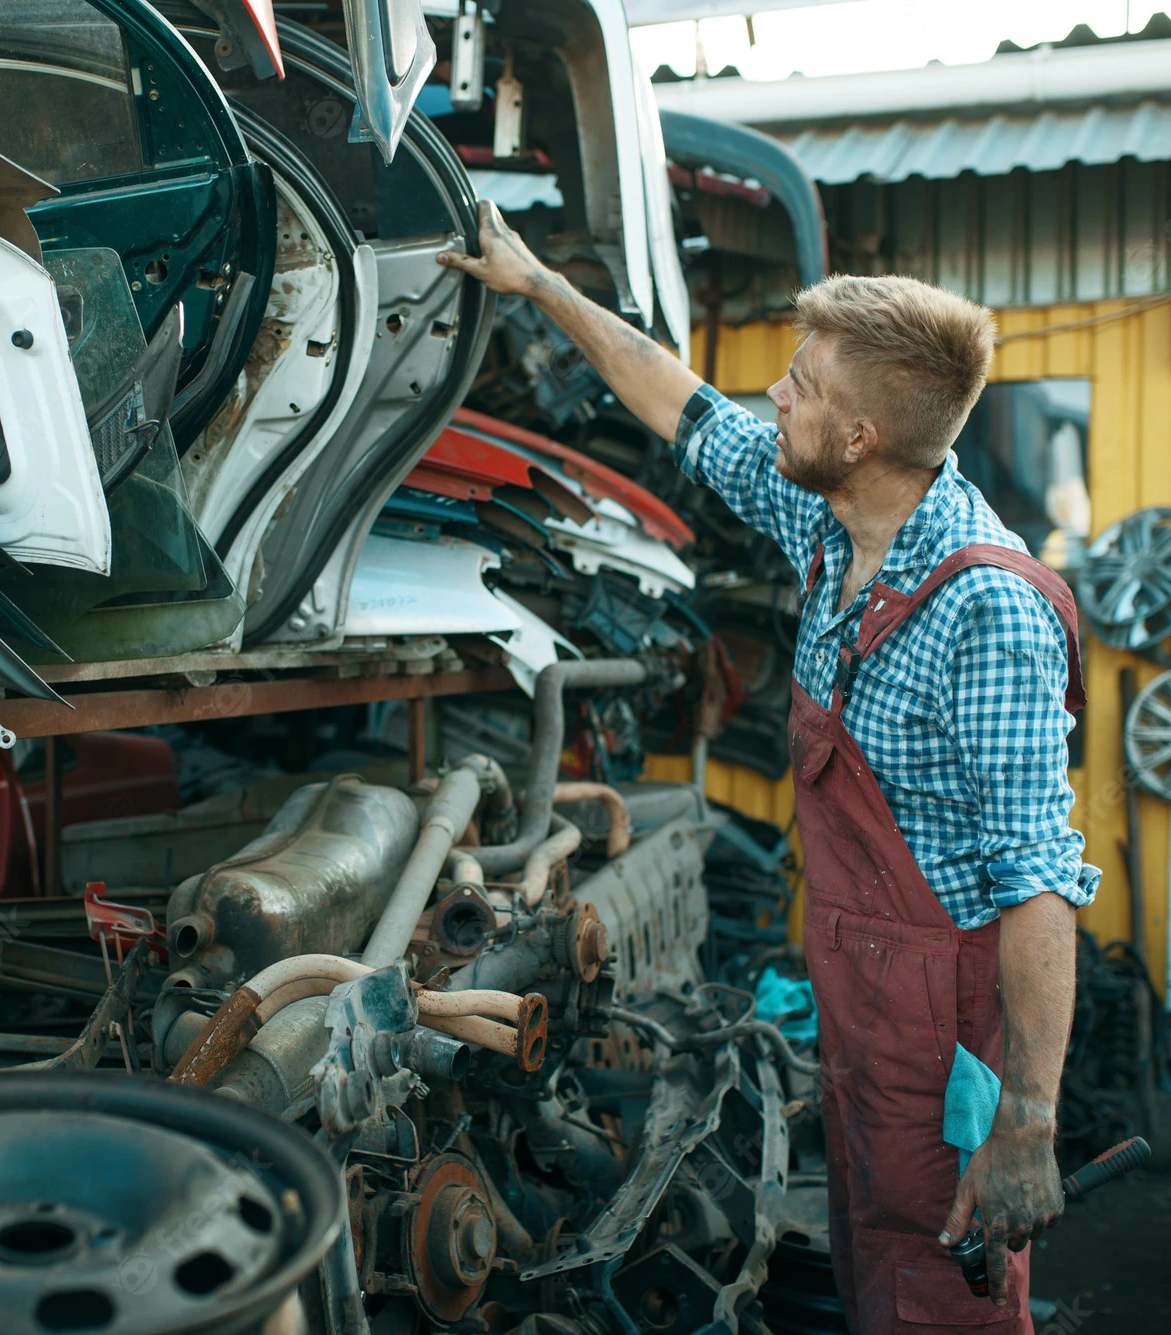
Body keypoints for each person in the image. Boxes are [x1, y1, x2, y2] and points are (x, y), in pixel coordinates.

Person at [440, 204, 1096, 1335]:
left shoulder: (985, 608)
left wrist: (1025, 1125)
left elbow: (1037, 882)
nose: (771, 399)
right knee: (865, 1260)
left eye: (796, 384)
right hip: (856, 987)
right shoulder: (834, 523)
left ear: (856, 437)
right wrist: (541, 286)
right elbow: (677, 405)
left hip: (942, 1025)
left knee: (936, 1294)